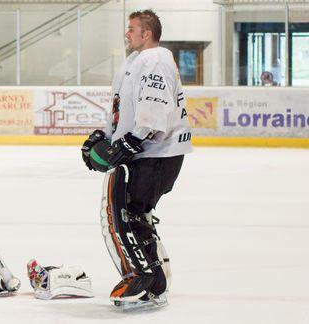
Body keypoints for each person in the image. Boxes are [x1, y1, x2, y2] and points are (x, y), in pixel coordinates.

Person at [81, 10, 192, 310]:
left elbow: (155, 108)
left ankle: (147, 282)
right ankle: (156, 275)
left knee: (128, 214)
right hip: (149, 152)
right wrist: (104, 135)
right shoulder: (135, 62)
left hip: (156, 153)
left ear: (147, 34)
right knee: (134, 214)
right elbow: (124, 108)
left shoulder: (154, 60)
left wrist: (133, 140)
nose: (126, 34)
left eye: (132, 29)